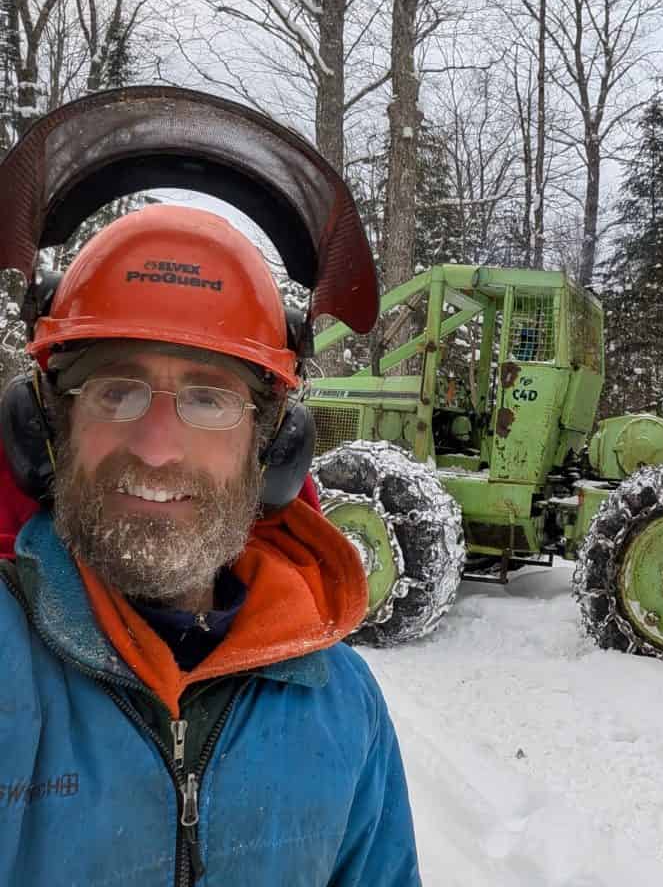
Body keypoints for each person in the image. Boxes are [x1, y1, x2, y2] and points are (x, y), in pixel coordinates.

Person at [0, 203, 421, 885]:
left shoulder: (343, 705)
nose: (159, 449)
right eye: (115, 391)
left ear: (275, 449)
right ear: (45, 428)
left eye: (209, 399)